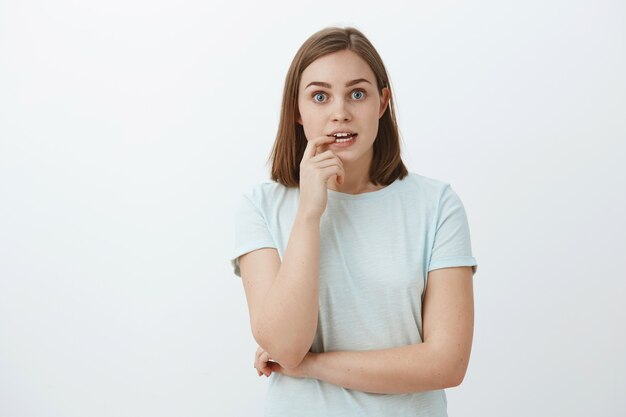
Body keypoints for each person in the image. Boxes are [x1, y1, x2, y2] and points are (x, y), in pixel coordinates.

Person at [230, 26, 478, 417]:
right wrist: (310, 213)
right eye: (320, 96)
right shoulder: (261, 206)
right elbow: (286, 345)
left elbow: (446, 363)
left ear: (382, 103)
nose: (340, 112)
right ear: (297, 110)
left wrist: (312, 366)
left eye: (357, 93)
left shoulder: (436, 205)